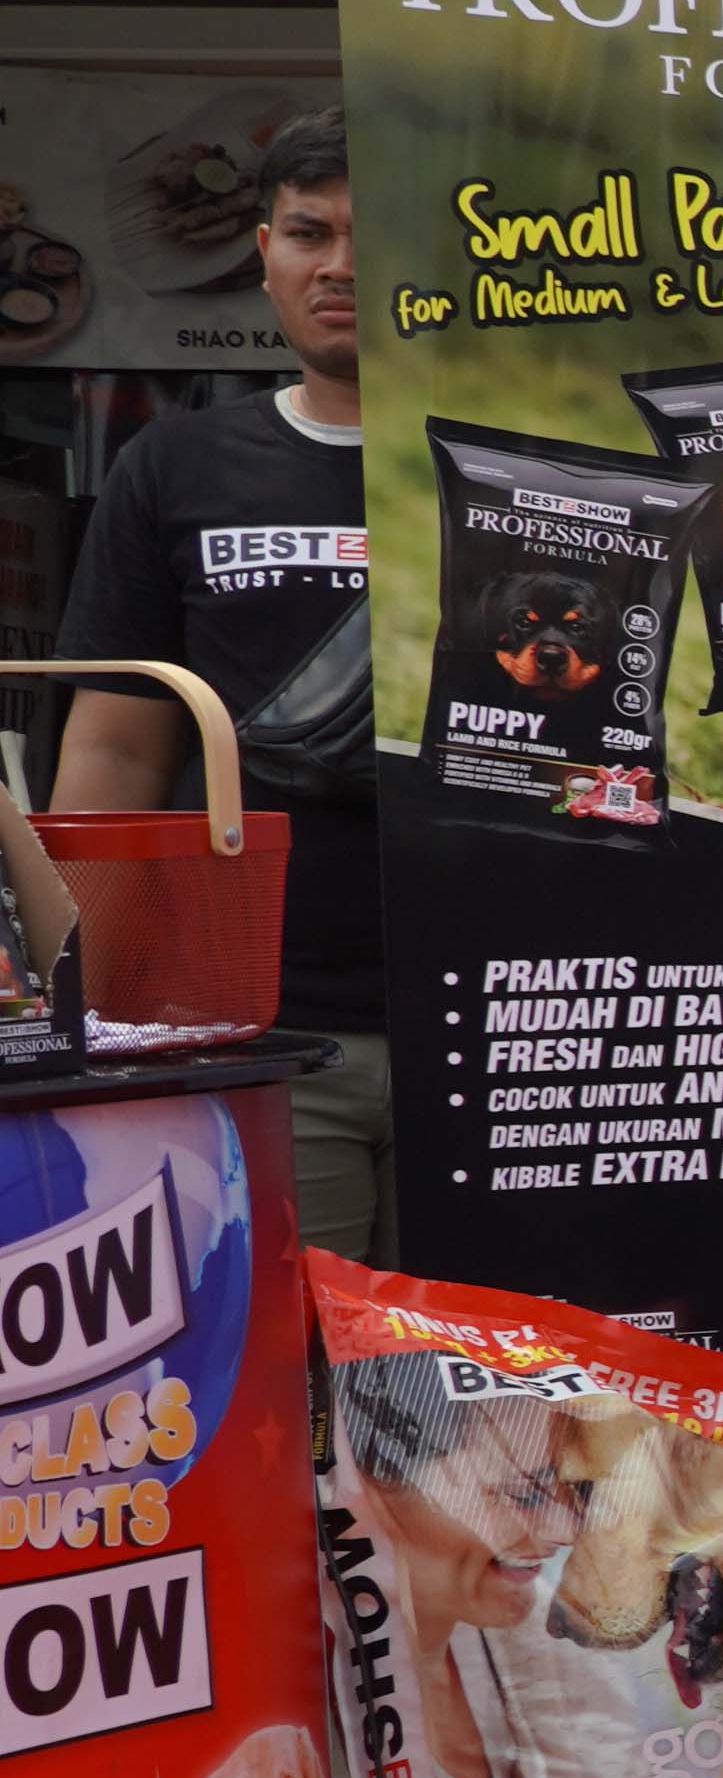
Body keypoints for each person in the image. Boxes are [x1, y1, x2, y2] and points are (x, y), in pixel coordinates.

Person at [54, 111, 389, 1253]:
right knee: (285, 1345)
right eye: (310, 233)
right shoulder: (175, 465)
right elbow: (116, 748)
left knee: (492, 1361)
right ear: (263, 254)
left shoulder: (513, 462)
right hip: (258, 1027)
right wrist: (87, 1012)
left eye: (373, 235)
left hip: (495, 1023)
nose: (340, 265)